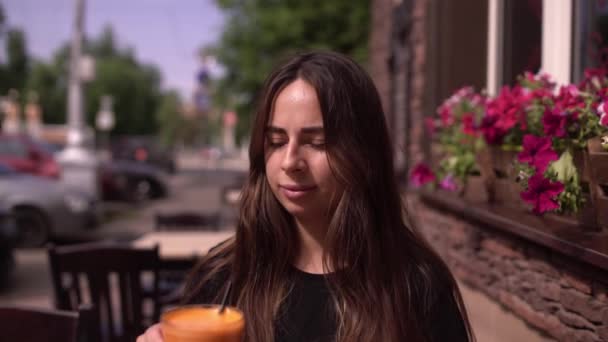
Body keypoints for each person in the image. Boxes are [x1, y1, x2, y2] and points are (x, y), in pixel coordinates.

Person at [137, 51, 474, 342]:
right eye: (277, 141)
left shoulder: (415, 285)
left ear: (363, 154)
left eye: (317, 142)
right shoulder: (226, 276)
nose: (290, 162)